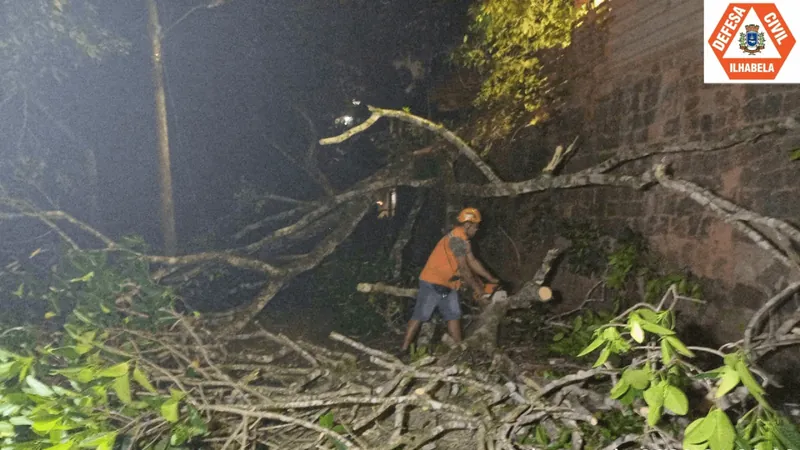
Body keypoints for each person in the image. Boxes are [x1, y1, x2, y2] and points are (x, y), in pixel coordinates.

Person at [401, 207, 500, 352]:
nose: (477, 229)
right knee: (422, 314)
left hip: (446, 284)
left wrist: (491, 278)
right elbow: (465, 268)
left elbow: (472, 261)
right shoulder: (456, 240)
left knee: (453, 314)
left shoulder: (463, 239)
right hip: (433, 282)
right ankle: (404, 349)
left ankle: (459, 350)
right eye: (476, 226)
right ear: (467, 225)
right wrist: (479, 291)